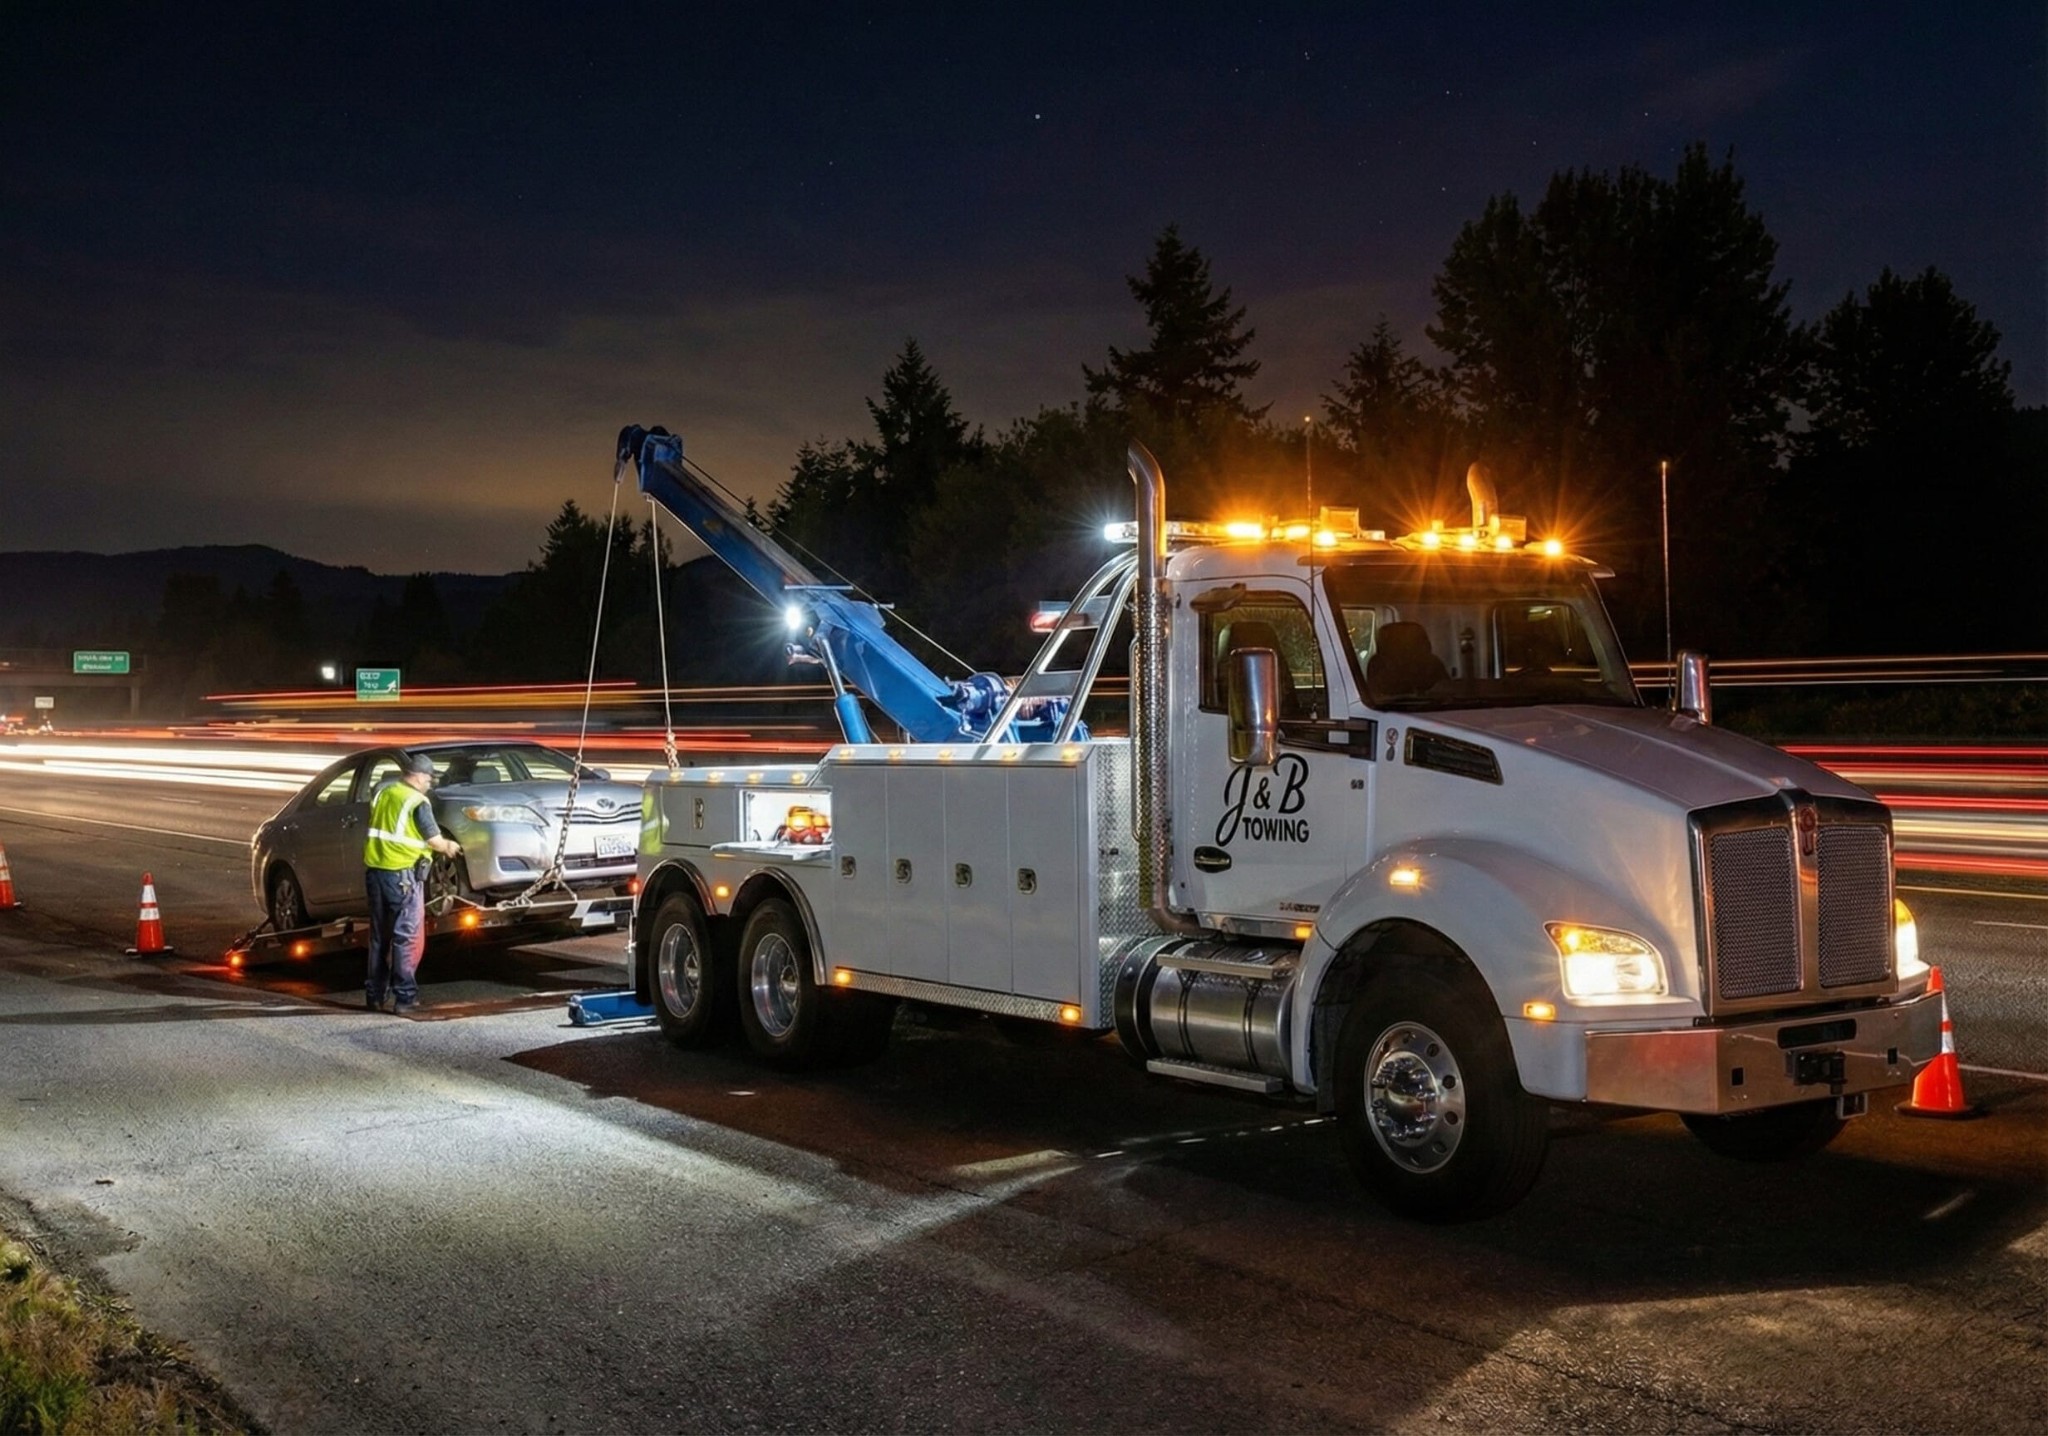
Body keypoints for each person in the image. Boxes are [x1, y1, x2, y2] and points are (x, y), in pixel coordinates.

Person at [363, 750, 461, 1013]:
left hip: (375, 872)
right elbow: (433, 839)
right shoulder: (417, 801)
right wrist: (448, 846)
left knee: (378, 938)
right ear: (417, 777)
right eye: (429, 780)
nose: (430, 785)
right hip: (403, 877)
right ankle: (405, 999)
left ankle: (374, 996)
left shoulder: (385, 792)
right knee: (406, 937)